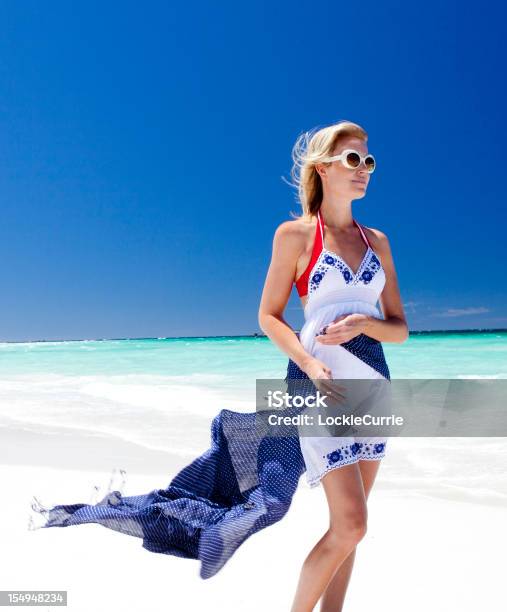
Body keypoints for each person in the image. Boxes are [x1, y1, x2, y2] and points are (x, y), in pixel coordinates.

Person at [258, 120, 408, 612]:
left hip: (373, 389)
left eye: (368, 161)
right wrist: (307, 363)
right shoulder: (296, 234)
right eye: (352, 160)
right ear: (323, 167)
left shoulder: (378, 241)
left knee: (352, 531)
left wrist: (366, 323)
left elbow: (400, 328)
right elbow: (269, 316)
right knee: (352, 523)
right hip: (320, 386)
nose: (363, 169)